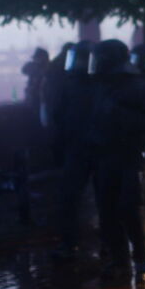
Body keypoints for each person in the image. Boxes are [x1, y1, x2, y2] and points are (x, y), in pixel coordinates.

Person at [88, 39, 145, 281]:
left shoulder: (138, 86)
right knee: (107, 210)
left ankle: (142, 259)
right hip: (105, 155)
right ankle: (120, 261)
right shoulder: (100, 86)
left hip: (131, 155)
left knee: (131, 209)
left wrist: (120, 114)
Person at [51, 41, 96, 261]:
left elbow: (58, 117)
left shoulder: (99, 85)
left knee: (103, 199)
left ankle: (73, 244)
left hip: (91, 148)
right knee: (69, 199)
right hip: (83, 148)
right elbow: (59, 118)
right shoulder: (73, 85)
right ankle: (71, 243)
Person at [21, 47, 49, 117]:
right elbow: (24, 70)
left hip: (42, 101)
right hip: (33, 99)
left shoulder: (48, 69)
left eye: (36, 58)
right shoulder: (34, 67)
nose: (34, 60)